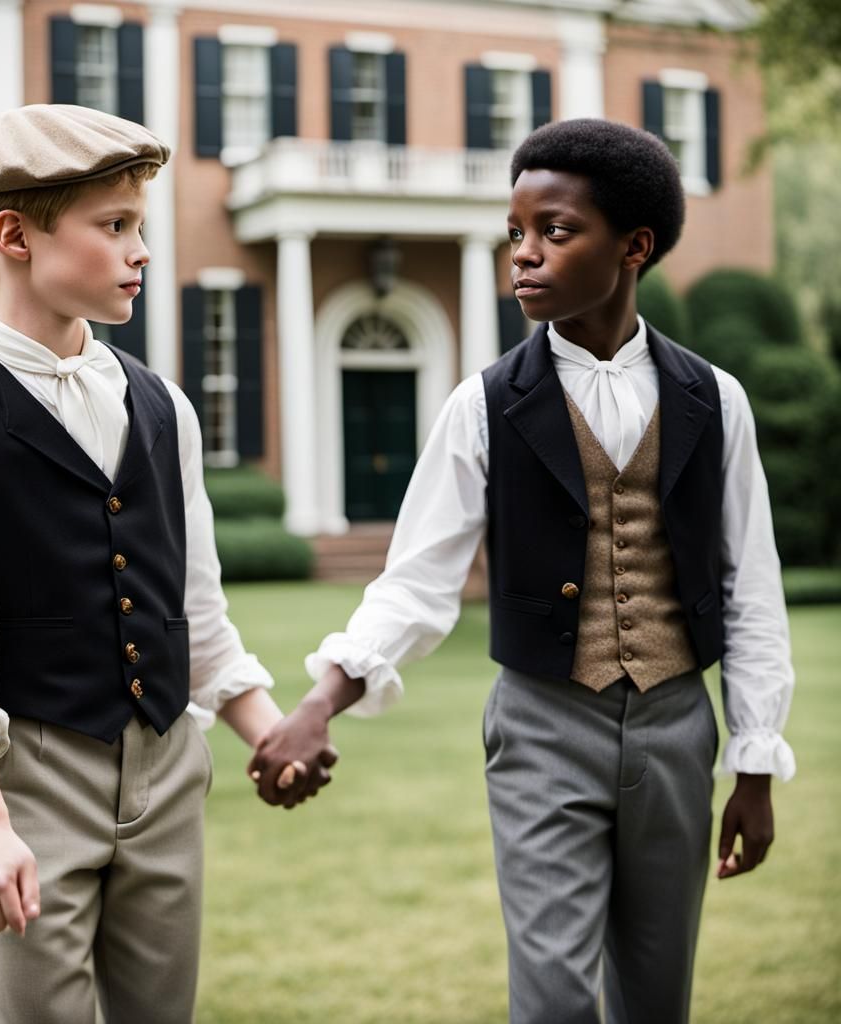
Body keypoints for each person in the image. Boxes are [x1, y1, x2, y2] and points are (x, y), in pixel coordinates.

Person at [249, 118, 796, 1023]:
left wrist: (755, 763)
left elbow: (752, 591)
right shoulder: (483, 404)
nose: (524, 254)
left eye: (555, 230)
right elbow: (417, 582)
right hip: (543, 729)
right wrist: (320, 702)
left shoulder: (715, 398)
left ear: (634, 248)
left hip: (677, 730)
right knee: (550, 1003)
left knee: (658, 998)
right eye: (515, 233)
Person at [0, 103, 333, 1024]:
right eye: (114, 226)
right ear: (15, 237)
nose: (141, 252)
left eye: (139, 226)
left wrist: (266, 731)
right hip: (30, 778)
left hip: (169, 767)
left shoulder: (164, 405)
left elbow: (190, 606)